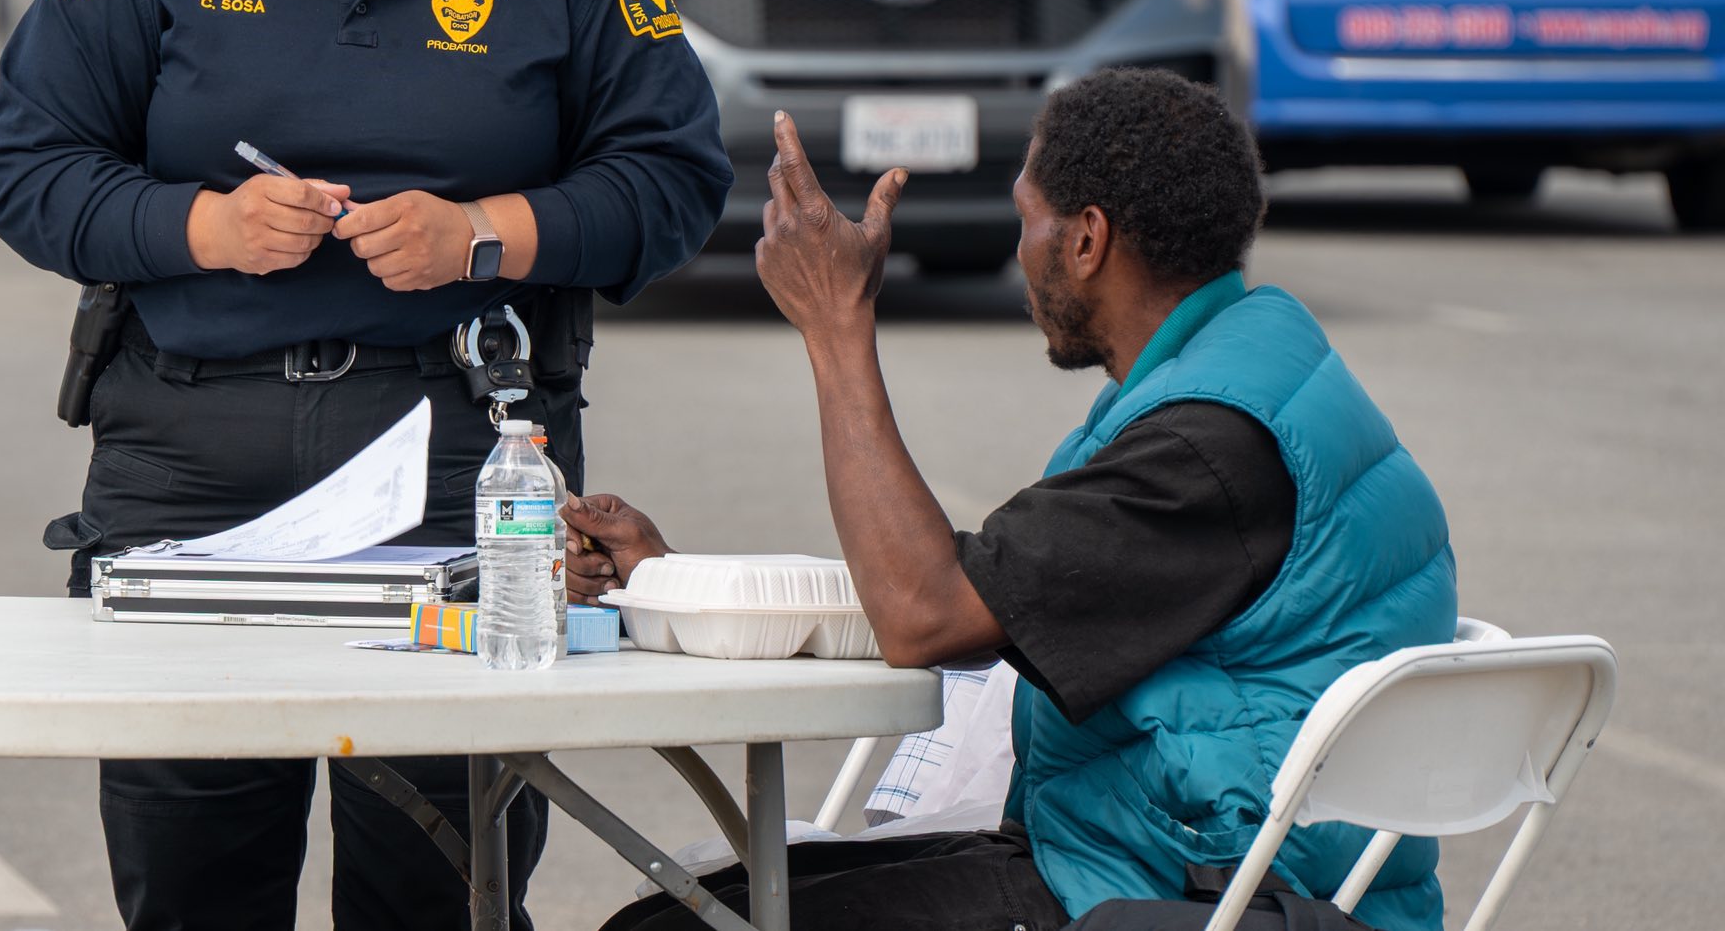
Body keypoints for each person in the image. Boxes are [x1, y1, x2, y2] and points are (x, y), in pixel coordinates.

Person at [0, 0, 731, 931]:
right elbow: (31, 173)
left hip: (461, 455)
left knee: (439, 882)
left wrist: (488, 232)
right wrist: (201, 228)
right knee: (193, 879)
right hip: (191, 457)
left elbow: (675, 183)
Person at [566, 69, 1456, 931]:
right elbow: (977, 589)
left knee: (684, 927)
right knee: (695, 902)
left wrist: (839, 328)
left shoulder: (1207, 446)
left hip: (1202, 893)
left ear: (1086, 240)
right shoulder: (1243, 370)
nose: (1017, 249)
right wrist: (671, 583)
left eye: (1027, 219)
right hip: (1158, 854)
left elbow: (925, 611)